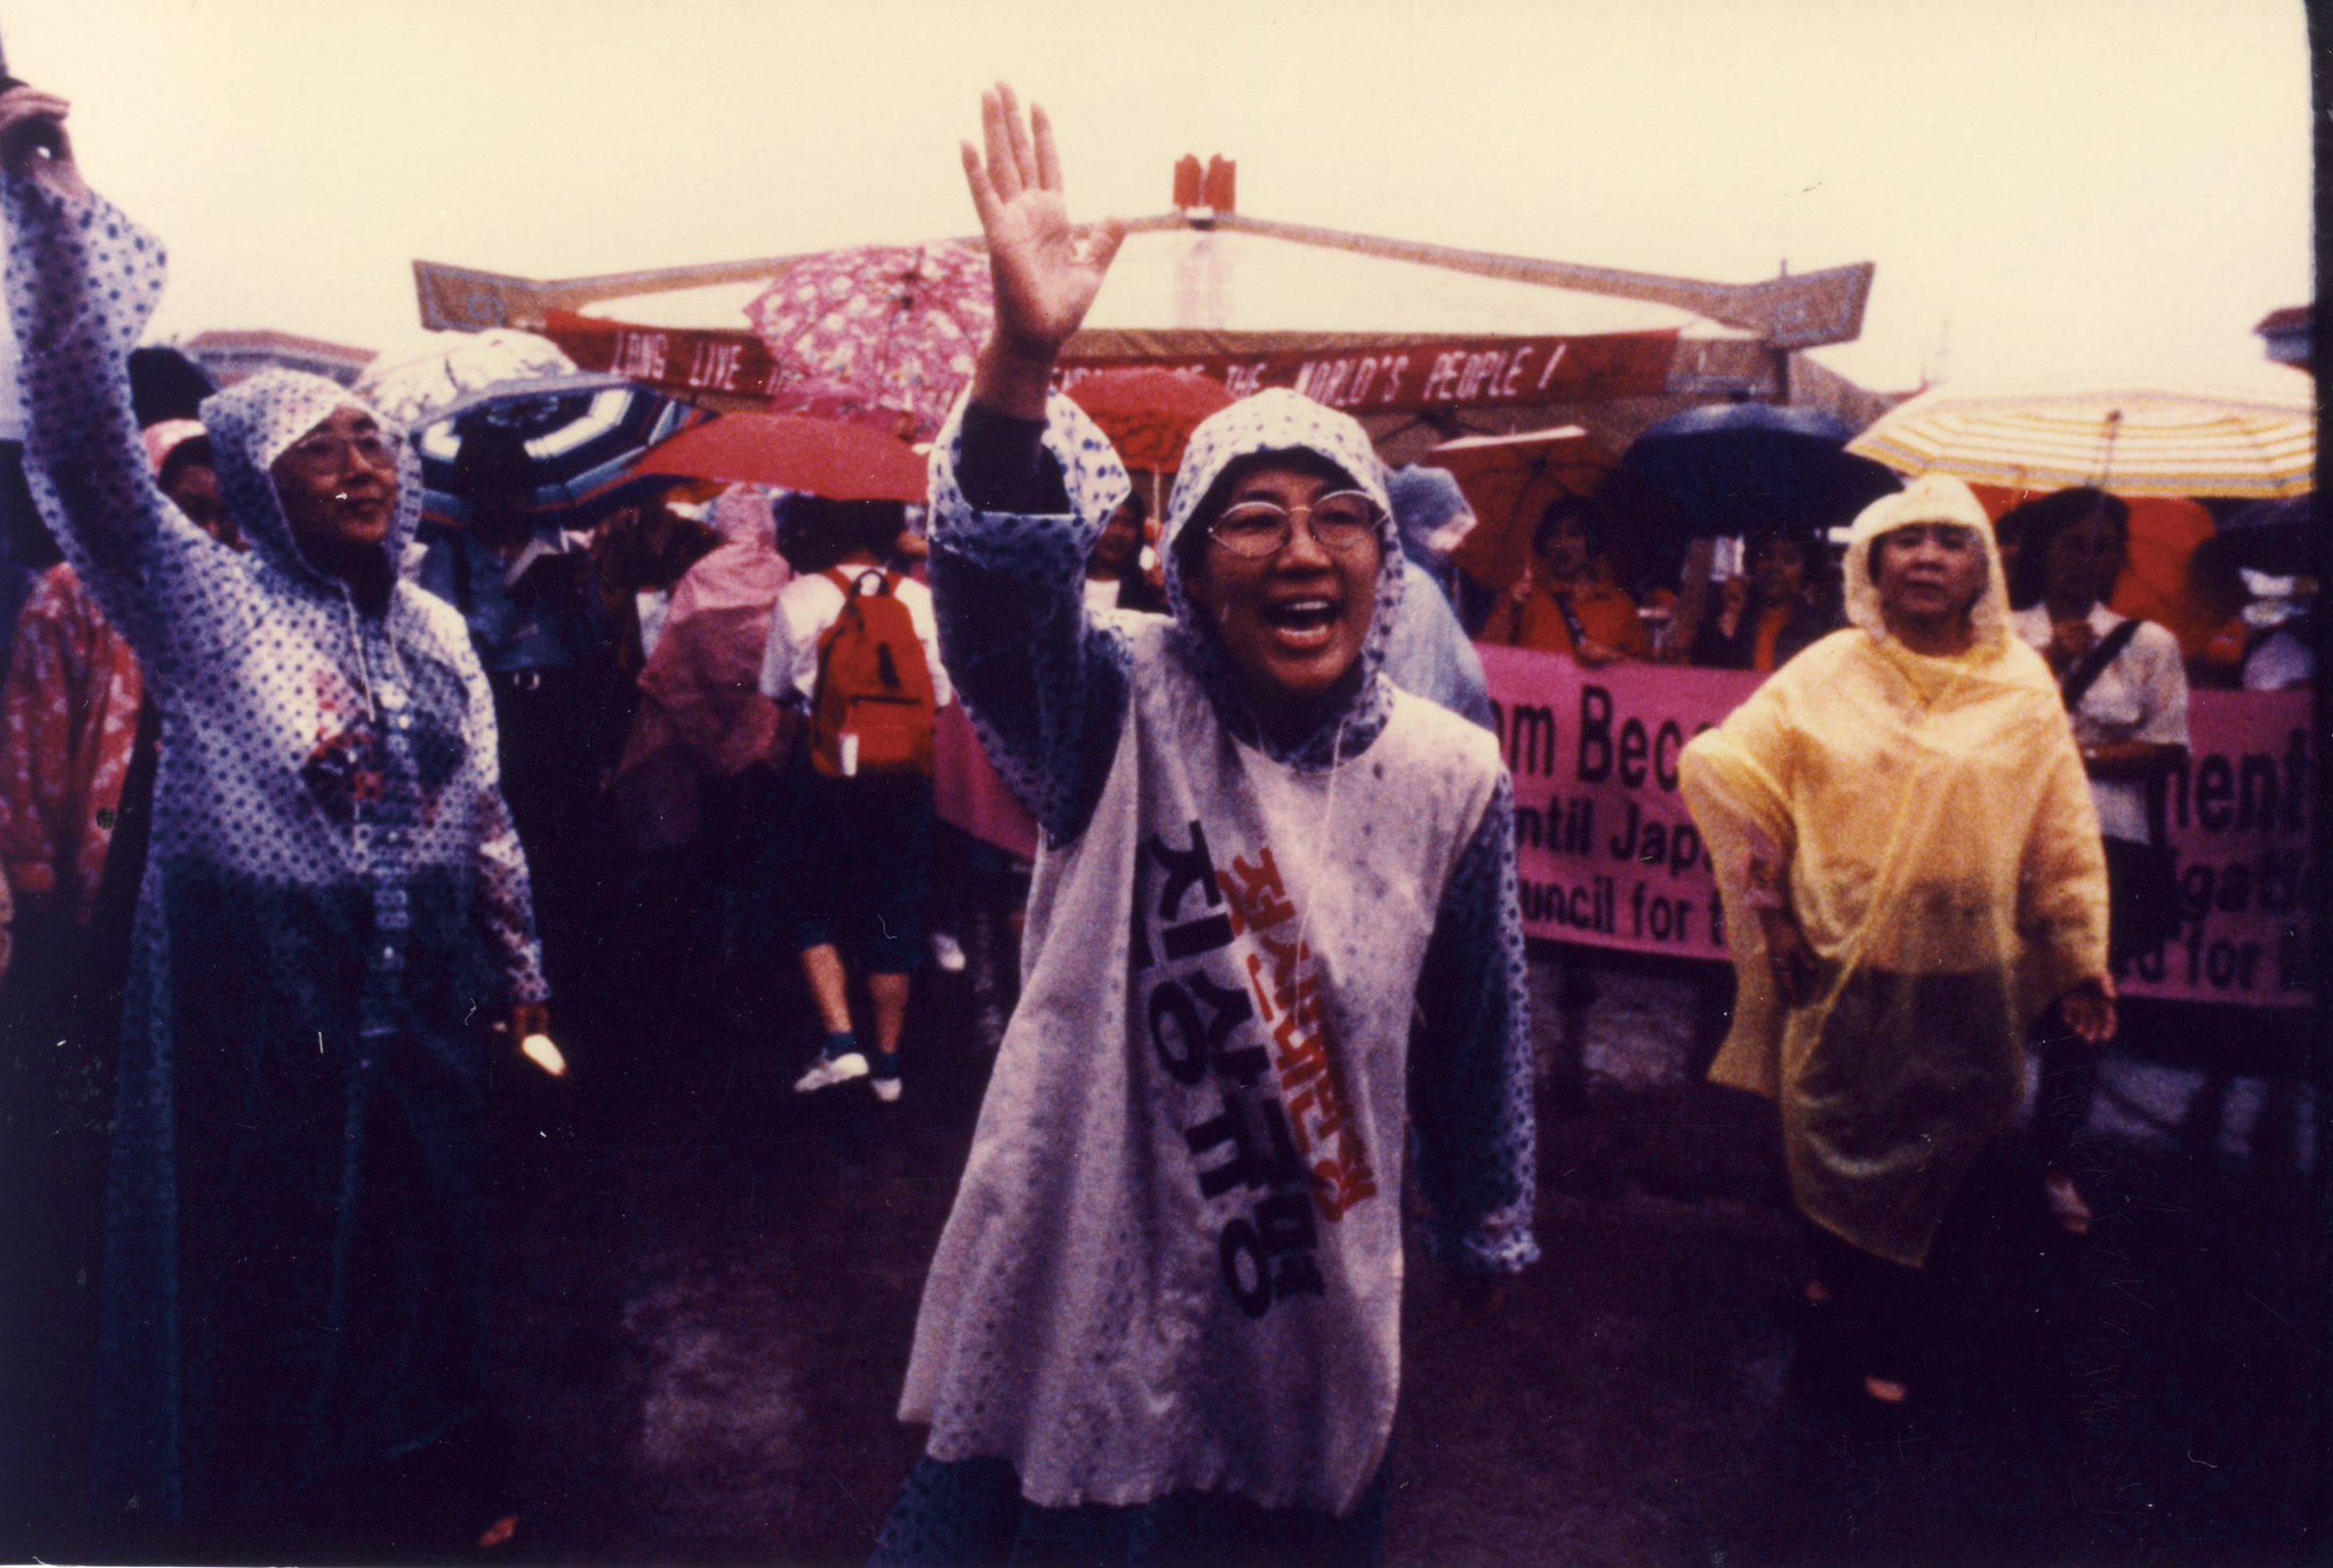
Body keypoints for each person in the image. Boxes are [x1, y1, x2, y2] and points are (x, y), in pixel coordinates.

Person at [867, 86, 1535, 1567]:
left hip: (1301, 1286)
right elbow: (990, 604)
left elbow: (1478, 1020)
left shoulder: (1448, 772)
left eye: (1337, 514)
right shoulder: (1118, 703)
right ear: (1185, 563)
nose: (1302, 548)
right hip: (1078, 1259)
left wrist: (1487, 1213)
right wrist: (1023, 360)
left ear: (1386, 559)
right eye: (1252, 516)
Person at [0, 84, 550, 1549]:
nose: (367, 466)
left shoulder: (436, 631)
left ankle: (419, 1477)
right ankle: (274, 1507)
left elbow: (484, 812)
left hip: (423, 981)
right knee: (269, 1247)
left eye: (376, 443)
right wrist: (50, 234)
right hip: (264, 990)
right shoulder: (206, 604)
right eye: (324, 450)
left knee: (426, 1238)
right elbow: (79, 448)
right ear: (254, 481)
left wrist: (519, 972)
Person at [1680, 473, 2113, 1406]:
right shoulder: (1828, 669)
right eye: (1904, 539)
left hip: (1969, 972)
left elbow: (2061, 830)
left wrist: (2079, 956)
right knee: (1827, 1133)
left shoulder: (2022, 685)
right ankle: (1840, 1274)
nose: (1925, 556)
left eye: (1949, 541)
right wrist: (1773, 914)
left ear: (1981, 569)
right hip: (1844, 963)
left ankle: (1898, 1335)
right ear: (1871, 562)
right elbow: (1739, 778)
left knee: (1949, 1152)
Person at [2002, 487, 2188, 1236]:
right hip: (2013, 840)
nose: (2087, 558)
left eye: (2103, 545)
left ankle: (2057, 1160)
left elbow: (2168, 747)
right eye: (2072, 542)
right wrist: (2046, 662)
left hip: (2108, 845)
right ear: (2042, 551)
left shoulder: (2150, 644)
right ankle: (1967, 1143)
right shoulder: (2001, 635)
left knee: (2081, 1002)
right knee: (1995, 990)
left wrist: (2082, 754)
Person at [760, 494, 953, 1104]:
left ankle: (841, 1043)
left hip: (823, 772)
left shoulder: (799, 597)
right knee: (895, 905)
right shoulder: (921, 599)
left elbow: (774, 690)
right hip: (904, 776)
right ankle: (890, 1064)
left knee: (808, 900)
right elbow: (942, 697)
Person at [1378, 464, 1495, 729]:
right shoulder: (1414, 591)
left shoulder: (1421, 585)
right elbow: (1419, 708)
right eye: (1451, 530)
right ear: (1417, 528)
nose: (1460, 543)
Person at [1478, 491, 1654, 663]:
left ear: (1591, 541)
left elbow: (1646, 675)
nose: (1562, 544)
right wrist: (1509, 608)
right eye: (1553, 535)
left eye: (1573, 534)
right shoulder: (1525, 598)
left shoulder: (1619, 606)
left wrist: (1612, 661)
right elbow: (1484, 657)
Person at [1689, 528, 1840, 672]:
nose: (1775, 567)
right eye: (1766, 555)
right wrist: (1731, 617)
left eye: (1789, 559)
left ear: (1805, 568)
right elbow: (1703, 673)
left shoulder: (1820, 629)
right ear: (1753, 561)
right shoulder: (1730, 613)